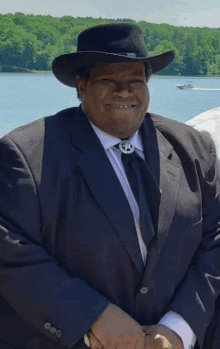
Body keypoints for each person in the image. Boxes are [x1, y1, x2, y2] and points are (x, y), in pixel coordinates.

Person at [0, 23, 219, 349]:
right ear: (80, 84)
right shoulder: (25, 154)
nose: (125, 91)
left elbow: (214, 239)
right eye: (109, 80)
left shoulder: (195, 148)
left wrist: (179, 327)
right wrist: (92, 316)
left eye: (135, 80)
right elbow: (12, 254)